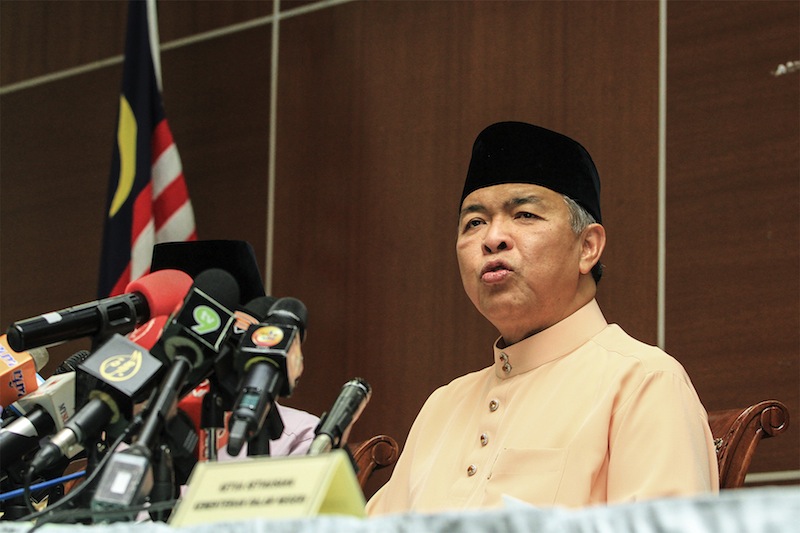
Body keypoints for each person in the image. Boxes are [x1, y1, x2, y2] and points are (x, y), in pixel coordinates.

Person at [366, 121, 719, 515]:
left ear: (588, 247)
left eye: (525, 215)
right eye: (474, 222)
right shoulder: (442, 406)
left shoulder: (643, 382)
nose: (492, 237)